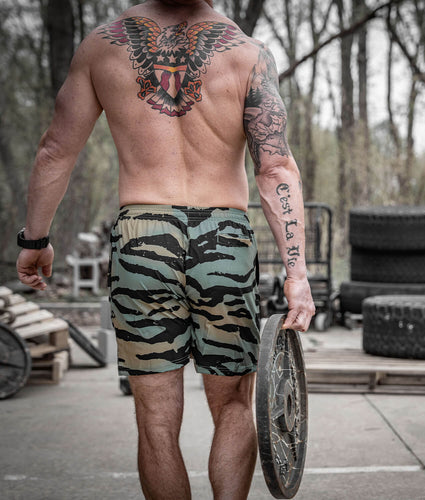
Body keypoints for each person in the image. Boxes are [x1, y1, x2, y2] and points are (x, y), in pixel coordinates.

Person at [16, 0, 315, 498]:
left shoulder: (102, 47)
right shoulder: (247, 53)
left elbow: (55, 149)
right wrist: (296, 274)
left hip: (142, 235)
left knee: (155, 419)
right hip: (224, 236)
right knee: (234, 406)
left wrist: (35, 239)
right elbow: (276, 168)